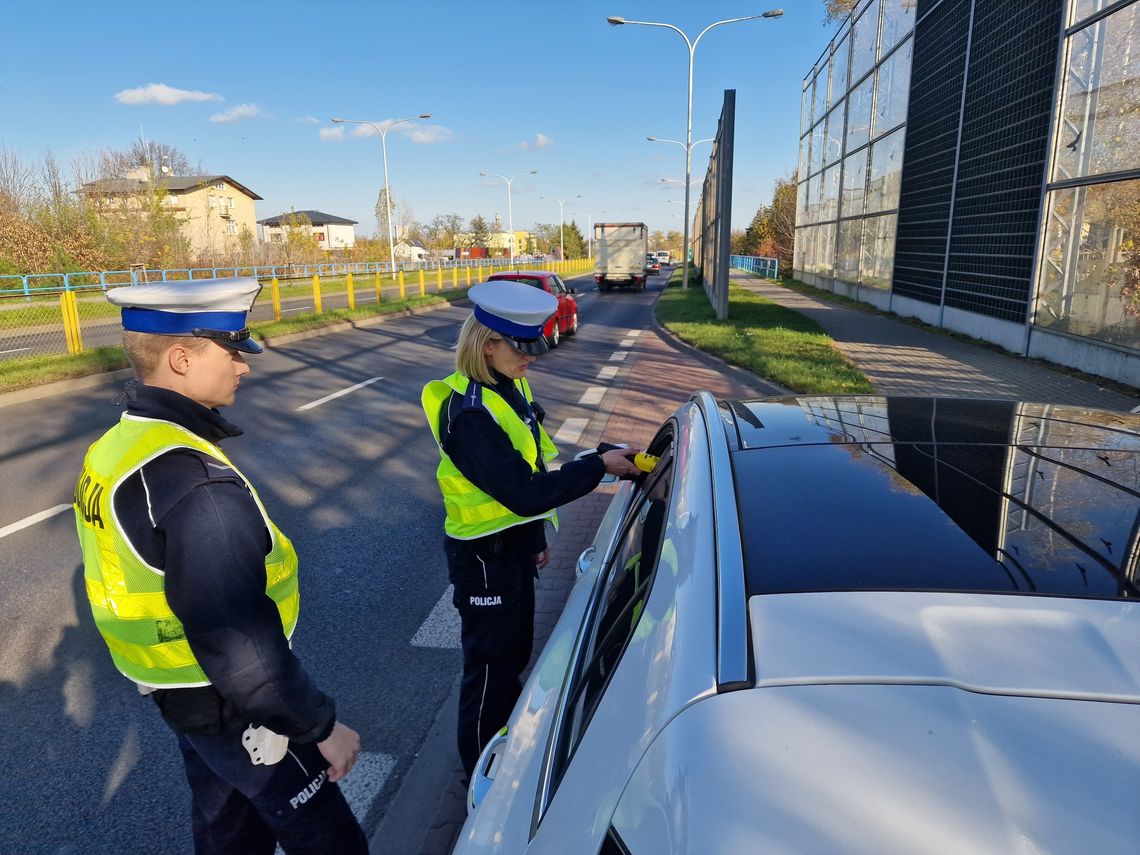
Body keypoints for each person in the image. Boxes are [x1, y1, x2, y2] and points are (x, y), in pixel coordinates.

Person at [73, 278, 368, 855]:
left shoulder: (120, 443)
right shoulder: (194, 481)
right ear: (181, 358)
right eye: (232, 352)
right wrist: (320, 728)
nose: (244, 367)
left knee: (228, 830)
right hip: (235, 704)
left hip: (180, 690)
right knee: (329, 840)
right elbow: (235, 637)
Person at [421, 280, 642, 778]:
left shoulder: (507, 384)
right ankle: (479, 773)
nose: (533, 358)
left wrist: (533, 538)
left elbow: (533, 464)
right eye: (521, 348)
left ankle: (504, 744)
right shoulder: (470, 414)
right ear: (487, 346)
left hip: (510, 547)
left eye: (535, 344)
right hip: (483, 559)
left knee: (513, 654)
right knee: (491, 668)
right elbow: (522, 492)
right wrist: (600, 467)